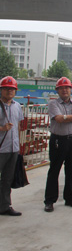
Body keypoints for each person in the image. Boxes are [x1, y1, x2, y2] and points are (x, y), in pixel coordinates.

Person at [44, 77, 72, 212]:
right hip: (58, 141)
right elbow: (59, 119)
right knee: (54, 170)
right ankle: (50, 200)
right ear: (57, 90)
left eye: (67, 87)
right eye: (61, 88)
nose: (64, 90)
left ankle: (70, 198)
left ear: (71, 89)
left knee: (71, 170)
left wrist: (67, 117)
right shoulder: (53, 104)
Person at [0, 76, 24, 216]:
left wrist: (20, 145)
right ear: (1, 90)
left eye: (12, 89)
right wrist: (2, 128)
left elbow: (19, 126)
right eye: (6, 89)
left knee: (7, 179)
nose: (9, 91)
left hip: (13, 148)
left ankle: (5, 205)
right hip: (1, 148)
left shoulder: (17, 106)